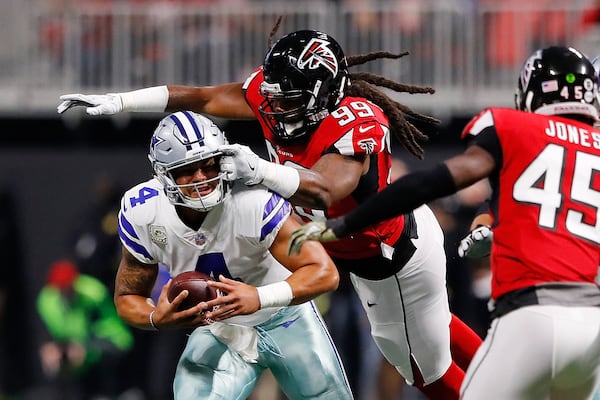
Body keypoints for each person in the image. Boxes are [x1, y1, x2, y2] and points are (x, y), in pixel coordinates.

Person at [58, 27, 483, 399]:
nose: (272, 108)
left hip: (390, 256)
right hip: (353, 248)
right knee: (432, 326)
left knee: (421, 367)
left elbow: (325, 190)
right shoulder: (274, 98)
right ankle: (500, 368)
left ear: (324, 96)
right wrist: (119, 101)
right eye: (272, 97)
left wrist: (261, 169)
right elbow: (203, 97)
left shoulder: (357, 121)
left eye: (288, 100)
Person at [288, 45, 600, 400]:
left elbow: (428, 183)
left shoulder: (513, 126)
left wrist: (343, 225)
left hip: (531, 316)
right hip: (591, 326)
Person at [113, 111, 352, 399]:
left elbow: (324, 272)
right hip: (219, 328)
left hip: (286, 317)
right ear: (164, 174)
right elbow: (127, 296)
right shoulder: (144, 212)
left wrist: (258, 297)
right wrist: (155, 317)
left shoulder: (252, 199)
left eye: (208, 164)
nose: (201, 178)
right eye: (186, 169)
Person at [36, 259, 134, 400]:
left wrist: (87, 349)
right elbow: (50, 335)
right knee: (54, 364)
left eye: (67, 285)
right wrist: (52, 349)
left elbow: (114, 335)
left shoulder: (93, 294)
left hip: (109, 346)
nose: (65, 290)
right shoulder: (46, 301)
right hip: (73, 352)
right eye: (60, 287)